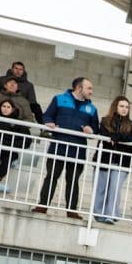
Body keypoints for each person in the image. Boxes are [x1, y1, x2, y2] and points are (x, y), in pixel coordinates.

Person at [37, 77, 98, 217]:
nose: (91, 91)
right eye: (89, 88)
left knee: (73, 180)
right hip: (58, 146)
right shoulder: (59, 99)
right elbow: (47, 116)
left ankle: (71, 211)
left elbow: (95, 128)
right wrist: (49, 122)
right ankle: (42, 206)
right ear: (78, 88)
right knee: (51, 176)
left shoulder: (92, 108)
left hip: (78, 149)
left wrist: (91, 130)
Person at [92, 96, 132, 224]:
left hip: (122, 161)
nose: (125, 109)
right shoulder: (105, 121)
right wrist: (120, 137)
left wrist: (117, 137)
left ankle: (111, 215)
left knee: (115, 188)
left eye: (127, 107)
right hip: (104, 159)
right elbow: (103, 134)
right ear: (115, 107)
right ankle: (99, 214)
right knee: (101, 188)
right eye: (122, 106)